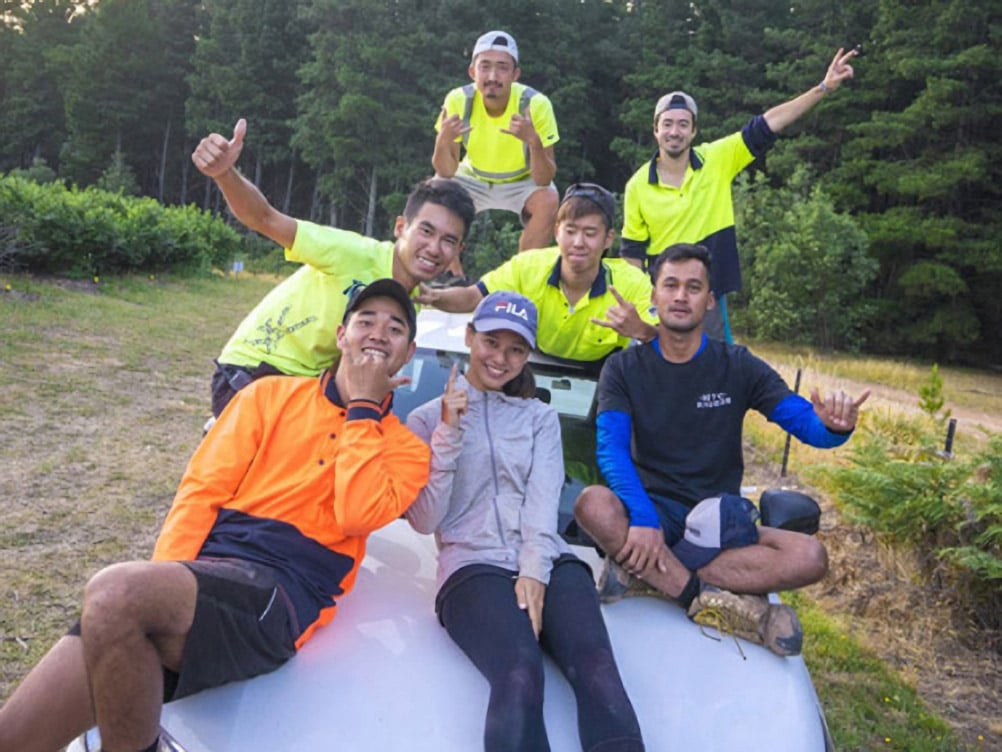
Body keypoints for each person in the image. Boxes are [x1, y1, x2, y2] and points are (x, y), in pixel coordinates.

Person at [0, 279, 431, 752]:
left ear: (407, 353)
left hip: (284, 588)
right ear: (340, 335)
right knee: (14, 735)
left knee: (113, 593)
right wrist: (164, 580)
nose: (376, 333)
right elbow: (201, 491)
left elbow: (356, 513)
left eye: (394, 328)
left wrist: (364, 410)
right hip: (205, 570)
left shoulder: (407, 449)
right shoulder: (268, 397)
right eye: (365, 321)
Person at [573, 244, 870, 657]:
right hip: (649, 515)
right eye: (671, 285)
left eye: (693, 287)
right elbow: (611, 452)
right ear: (654, 298)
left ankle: (647, 573)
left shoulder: (739, 365)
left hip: (719, 525)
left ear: (710, 301)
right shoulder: (623, 369)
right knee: (592, 504)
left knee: (811, 556)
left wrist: (836, 428)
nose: (681, 296)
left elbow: (806, 424)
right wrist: (641, 518)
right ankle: (711, 602)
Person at [405, 291, 644, 752]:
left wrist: (534, 570)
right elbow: (425, 518)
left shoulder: (540, 419)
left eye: (516, 349)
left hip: (551, 559)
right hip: (472, 568)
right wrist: (449, 434)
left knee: (597, 668)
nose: (502, 358)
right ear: (470, 336)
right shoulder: (422, 420)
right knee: (518, 671)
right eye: (492, 342)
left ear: (527, 355)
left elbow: (542, 501)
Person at [192, 118, 476, 417]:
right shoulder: (351, 252)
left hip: (308, 388)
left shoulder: (410, 303)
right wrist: (224, 174)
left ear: (459, 250)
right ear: (400, 227)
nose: (434, 248)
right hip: (255, 372)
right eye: (426, 231)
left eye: (448, 240)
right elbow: (266, 218)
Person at [619, 47, 859, 342]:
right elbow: (631, 256)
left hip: (706, 294)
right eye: (667, 124)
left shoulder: (717, 159)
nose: (674, 131)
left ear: (694, 131)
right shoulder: (637, 185)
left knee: (718, 374)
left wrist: (823, 88)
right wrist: (646, 304)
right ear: (655, 130)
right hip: (659, 301)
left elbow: (769, 123)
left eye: (683, 124)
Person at [417, 183, 657, 364]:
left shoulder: (630, 282)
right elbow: (473, 297)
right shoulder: (528, 267)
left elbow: (671, 340)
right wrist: (434, 297)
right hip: (528, 365)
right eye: (570, 231)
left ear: (608, 239)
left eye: (590, 233)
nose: (578, 242)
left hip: (606, 373)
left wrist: (641, 330)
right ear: (556, 232)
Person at [432, 30, 560, 277]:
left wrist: (533, 141)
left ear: (515, 74)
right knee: (434, 190)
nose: (493, 76)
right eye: (485, 67)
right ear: (473, 72)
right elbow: (445, 171)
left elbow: (544, 179)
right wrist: (443, 139)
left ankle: (520, 278)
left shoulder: (536, 104)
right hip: (474, 176)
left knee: (549, 199)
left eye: (502, 68)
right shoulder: (459, 99)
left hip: (521, 179)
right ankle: (451, 276)